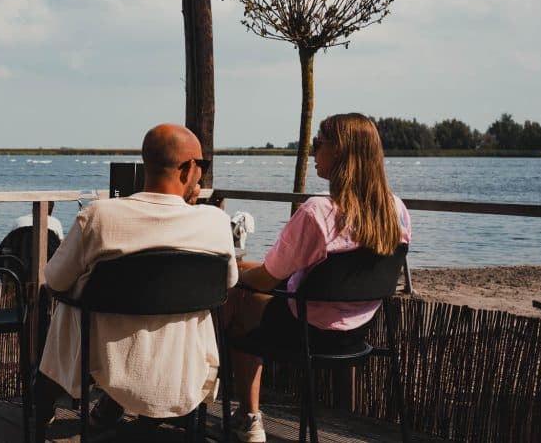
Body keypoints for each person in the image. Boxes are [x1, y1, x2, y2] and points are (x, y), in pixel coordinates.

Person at [35, 123, 238, 438]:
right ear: (188, 169)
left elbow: (55, 281)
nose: (202, 175)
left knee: (67, 305)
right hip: (180, 356)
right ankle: (119, 407)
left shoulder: (99, 217)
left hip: (104, 355)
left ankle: (44, 403)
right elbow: (229, 282)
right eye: (202, 167)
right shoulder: (215, 222)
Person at [224, 113, 412, 443]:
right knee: (249, 276)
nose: (312, 152)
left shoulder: (317, 212)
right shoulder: (395, 209)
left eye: (317, 144)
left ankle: (248, 418)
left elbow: (267, 280)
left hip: (310, 333)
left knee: (242, 303)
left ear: (339, 151)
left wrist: (232, 280)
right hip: (360, 330)